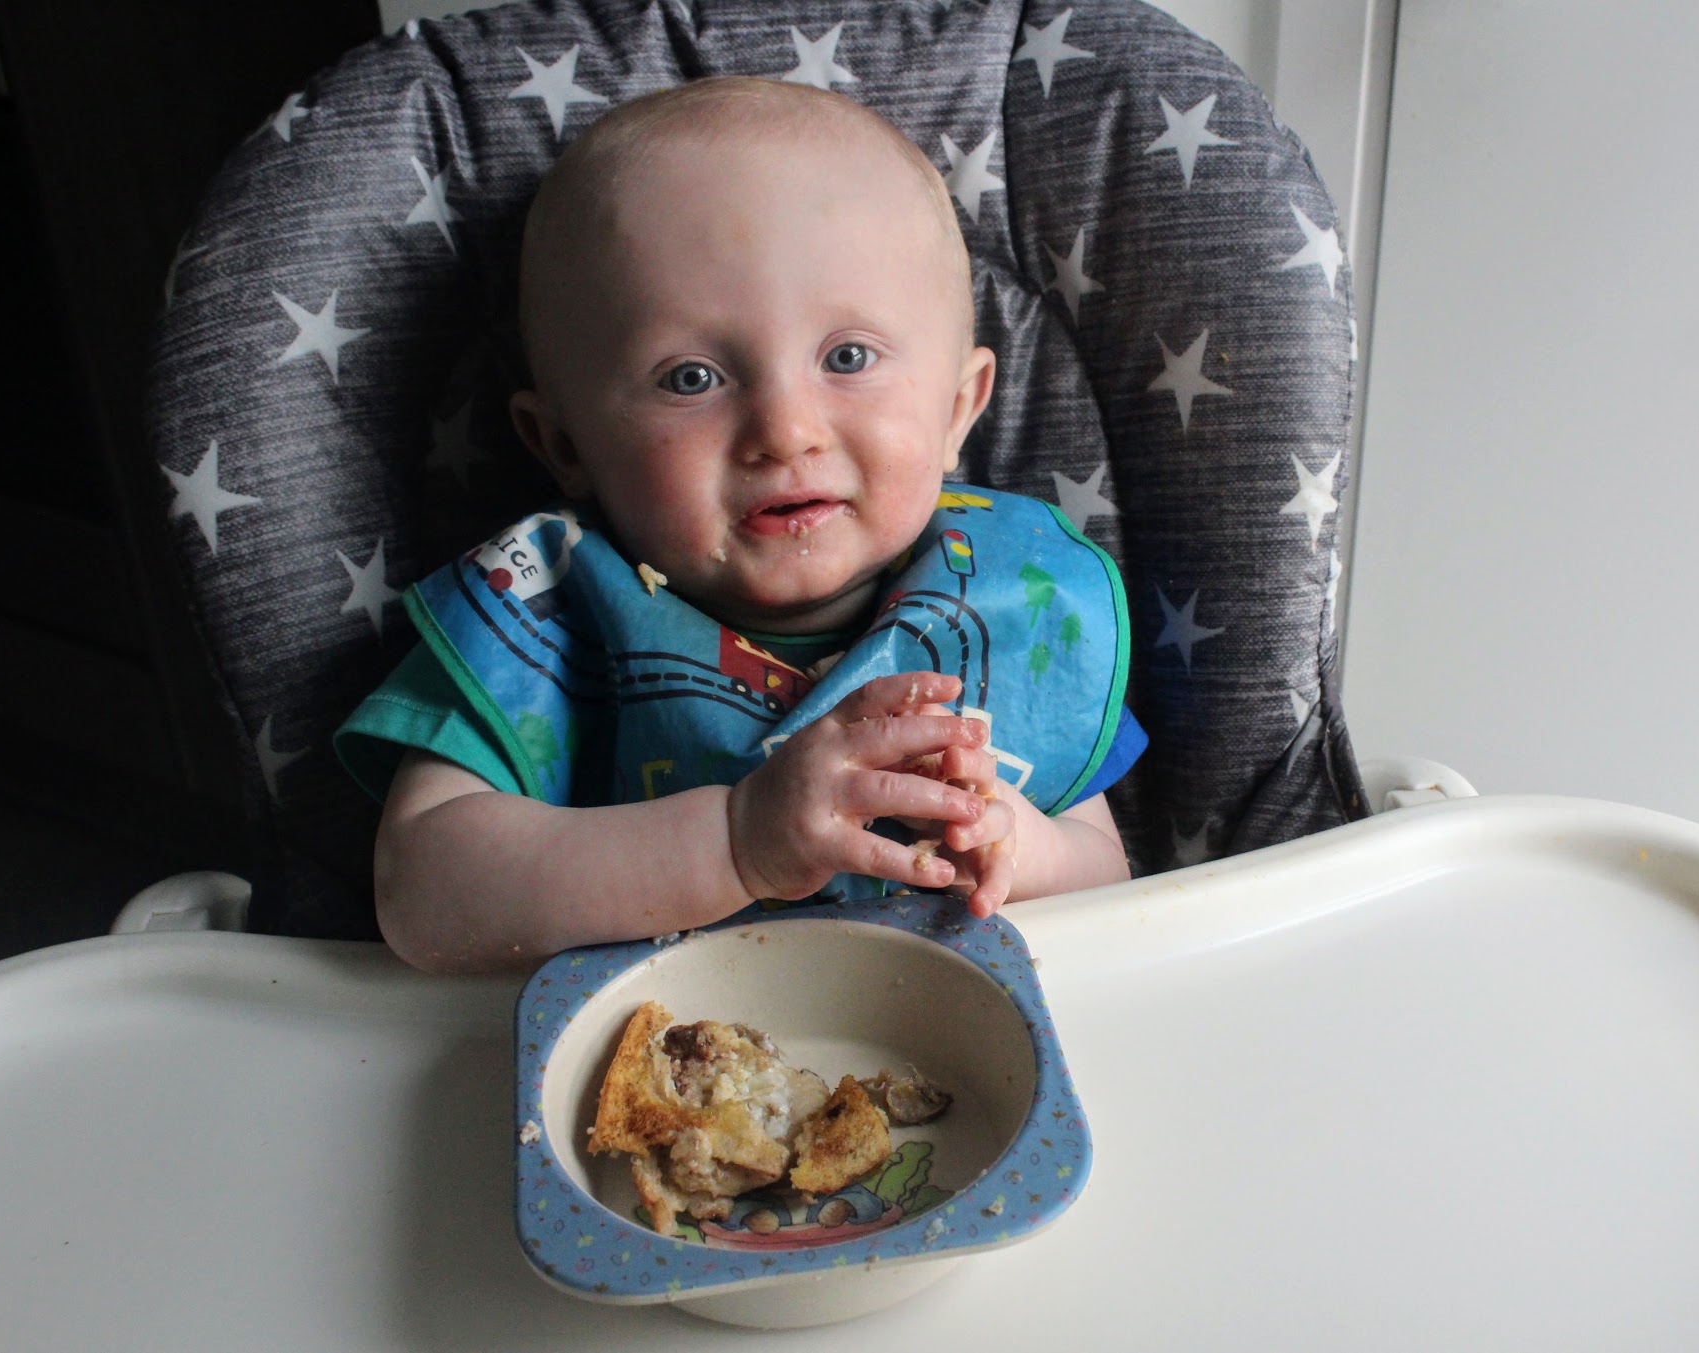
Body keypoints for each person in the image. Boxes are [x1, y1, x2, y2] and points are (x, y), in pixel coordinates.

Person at [334, 77, 1141, 974]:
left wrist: (1016, 846)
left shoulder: (1017, 603)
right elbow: (421, 895)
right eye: (690, 378)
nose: (785, 431)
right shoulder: (540, 613)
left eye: (847, 357)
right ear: (564, 444)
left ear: (958, 409)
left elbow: (1115, 891)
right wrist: (734, 840)